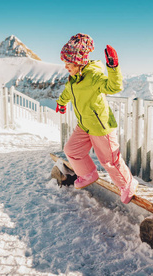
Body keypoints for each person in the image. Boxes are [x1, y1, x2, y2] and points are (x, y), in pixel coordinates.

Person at [55, 33, 138, 204]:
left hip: (101, 126)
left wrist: (113, 67)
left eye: (68, 62)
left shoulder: (93, 76)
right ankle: (88, 173)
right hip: (84, 124)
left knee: (110, 161)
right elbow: (68, 91)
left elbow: (114, 86)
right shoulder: (74, 78)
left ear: (78, 61)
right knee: (71, 150)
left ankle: (128, 183)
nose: (65, 66)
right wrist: (61, 103)